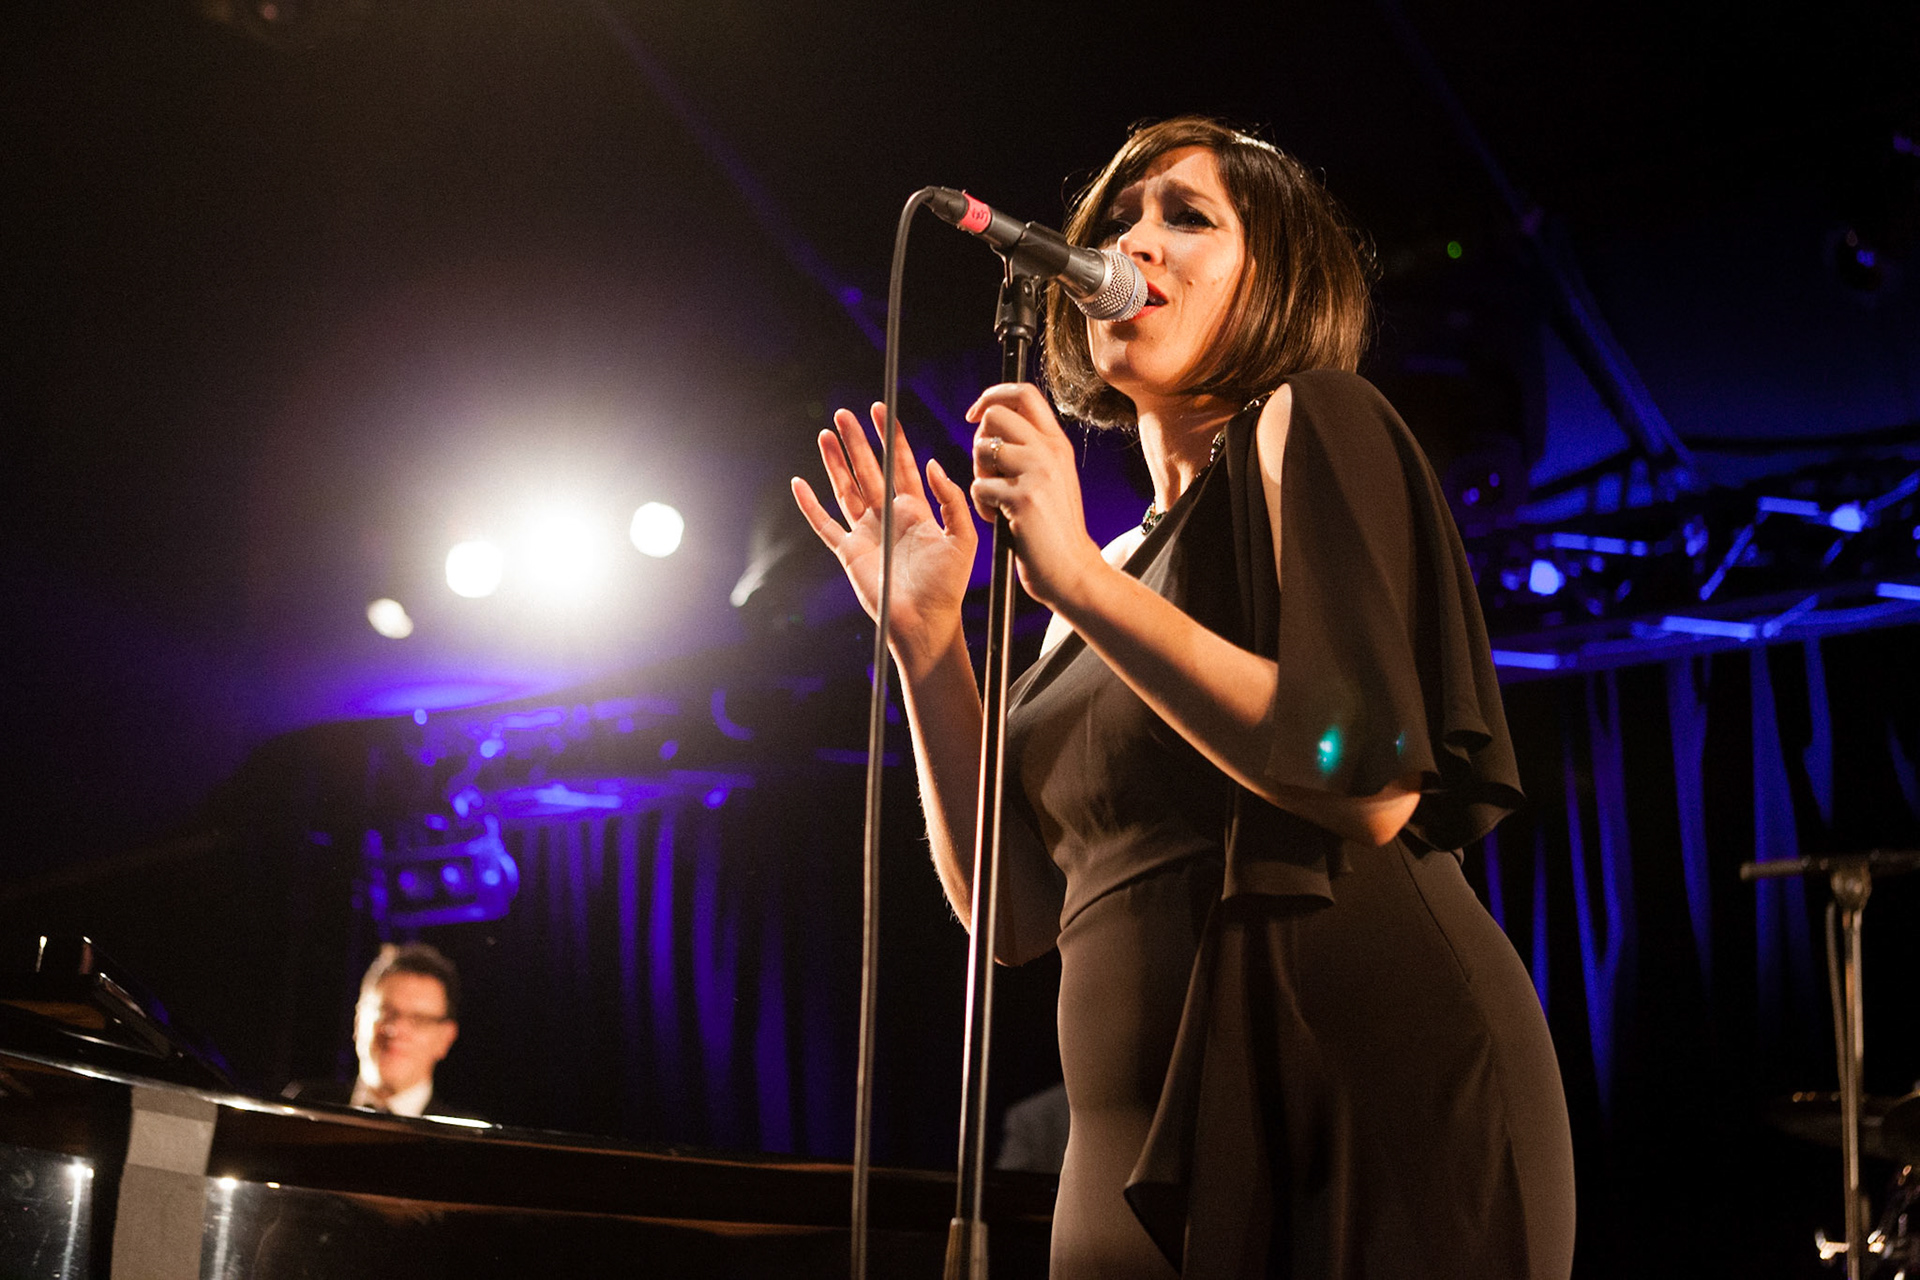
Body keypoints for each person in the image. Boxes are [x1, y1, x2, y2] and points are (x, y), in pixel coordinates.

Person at [792, 116, 1576, 1278]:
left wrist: (1066, 572)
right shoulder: (1094, 573)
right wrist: (928, 643)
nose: (1131, 242)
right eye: (1117, 220)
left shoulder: (1311, 419)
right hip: (1128, 1141)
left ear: (1280, 279)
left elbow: (1361, 772)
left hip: (1356, 1080)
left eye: (1185, 215)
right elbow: (1010, 909)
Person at [283, 942, 469, 1119]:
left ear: (446, 1037)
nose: (395, 1030)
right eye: (384, 1013)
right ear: (357, 1021)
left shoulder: (468, 1140)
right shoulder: (302, 1106)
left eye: (418, 1020)